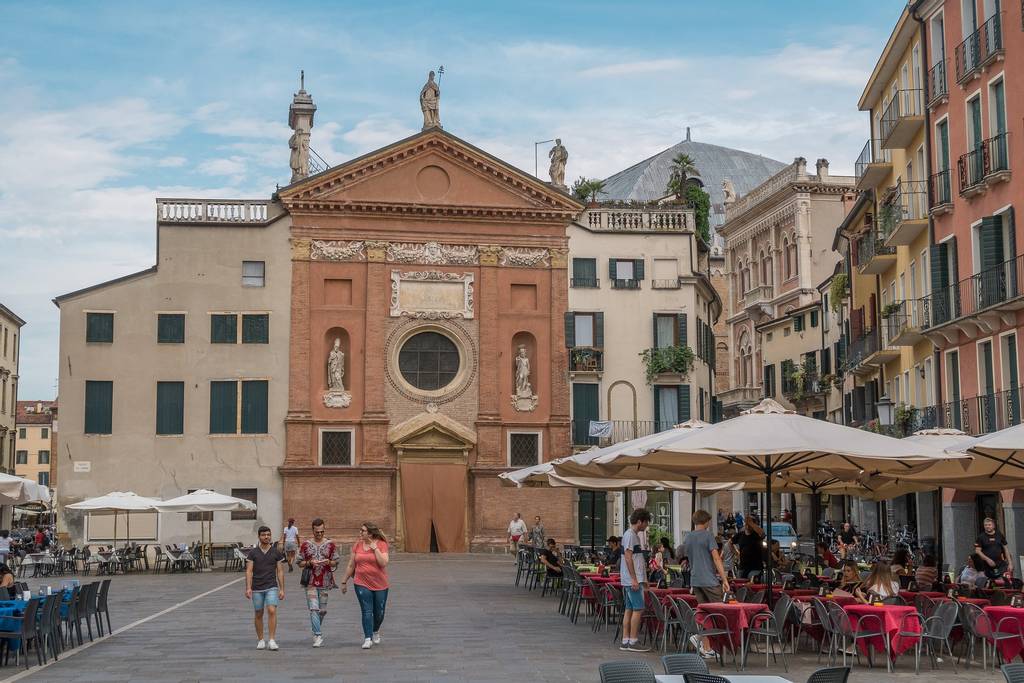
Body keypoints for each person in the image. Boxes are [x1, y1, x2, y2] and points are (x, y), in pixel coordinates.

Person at [683, 510, 730, 660]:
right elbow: (716, 558)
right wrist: (725, 580)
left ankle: (706, 646)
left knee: (703, 614)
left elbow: (689, 558)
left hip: (695, 580)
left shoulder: (688, 537)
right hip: (709, 580)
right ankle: (706, 641)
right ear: (706, 521)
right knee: (720, 613)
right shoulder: (708, 536)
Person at [341, 521, 389, 650]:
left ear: (370, 533)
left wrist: (375, 549)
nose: (360, 533)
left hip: (380, 584)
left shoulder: (382, 545)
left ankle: (375, 630)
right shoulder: (357, 545)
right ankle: (367, 638)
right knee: (366, 611)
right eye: (360, 530)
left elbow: (383, 563)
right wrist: (344, 581)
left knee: (379, 612)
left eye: (363, 531)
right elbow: (351, 565)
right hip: (361, 583)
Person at [298, 518, 339, 648]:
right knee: (314, 608)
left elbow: (335, 562)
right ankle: (317, 634)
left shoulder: (331, 544)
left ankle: (315, 627)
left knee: (322, 610)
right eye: (317, 532)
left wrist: (329, 562)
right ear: (313, 531)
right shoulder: (305, 545)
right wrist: (310, 562)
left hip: (325, 581)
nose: (320, 534)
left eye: (322, 531)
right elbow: (299, 563)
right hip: (310, 581)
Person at [245, 525, 285, 651]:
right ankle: (261, 639)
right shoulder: (253, 553)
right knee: (258, 613)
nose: (266, 537)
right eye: (263, 535)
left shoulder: (276, 552)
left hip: (271, 586)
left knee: (272, 610)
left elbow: (280, 571)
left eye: (268, 534)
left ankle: (272, 640)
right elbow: (249, 571)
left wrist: (282, 588)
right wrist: (248, 588)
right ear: (259, 536)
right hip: (257, 587)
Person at [619, 508, 652, 652]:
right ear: (640, 521)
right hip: (633, 580)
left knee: (629, 609)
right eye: (646, 523)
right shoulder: (631, 535)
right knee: (638, 609)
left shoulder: (629, 535)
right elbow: (628, 557)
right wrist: (634, 579)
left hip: (630, 579)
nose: (646, 526)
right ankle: (633, 641)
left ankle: (625, 639)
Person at [974, 516, 1010, 587]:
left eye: (989, 525)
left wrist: (1010, 563)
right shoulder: (981, 537)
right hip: (987, 566)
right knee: (989, 584)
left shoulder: (999, 535)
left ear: (993, 525)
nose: (987, 526)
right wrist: (987, 559)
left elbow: (1006, 549)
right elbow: (977, 551)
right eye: (986, 525)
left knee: (1002, 583)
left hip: (1000, 565)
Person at [731, 515, 765, 580]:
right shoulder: (740, 534)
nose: (748, 526)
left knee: (752, 585)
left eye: (749, 524)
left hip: (755, 567)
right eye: (746, 524)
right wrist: (736, 552)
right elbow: (730, 542)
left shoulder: (756, 534)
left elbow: (762, 534)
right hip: (742, 567)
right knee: (740, 586)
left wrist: (751, 523)